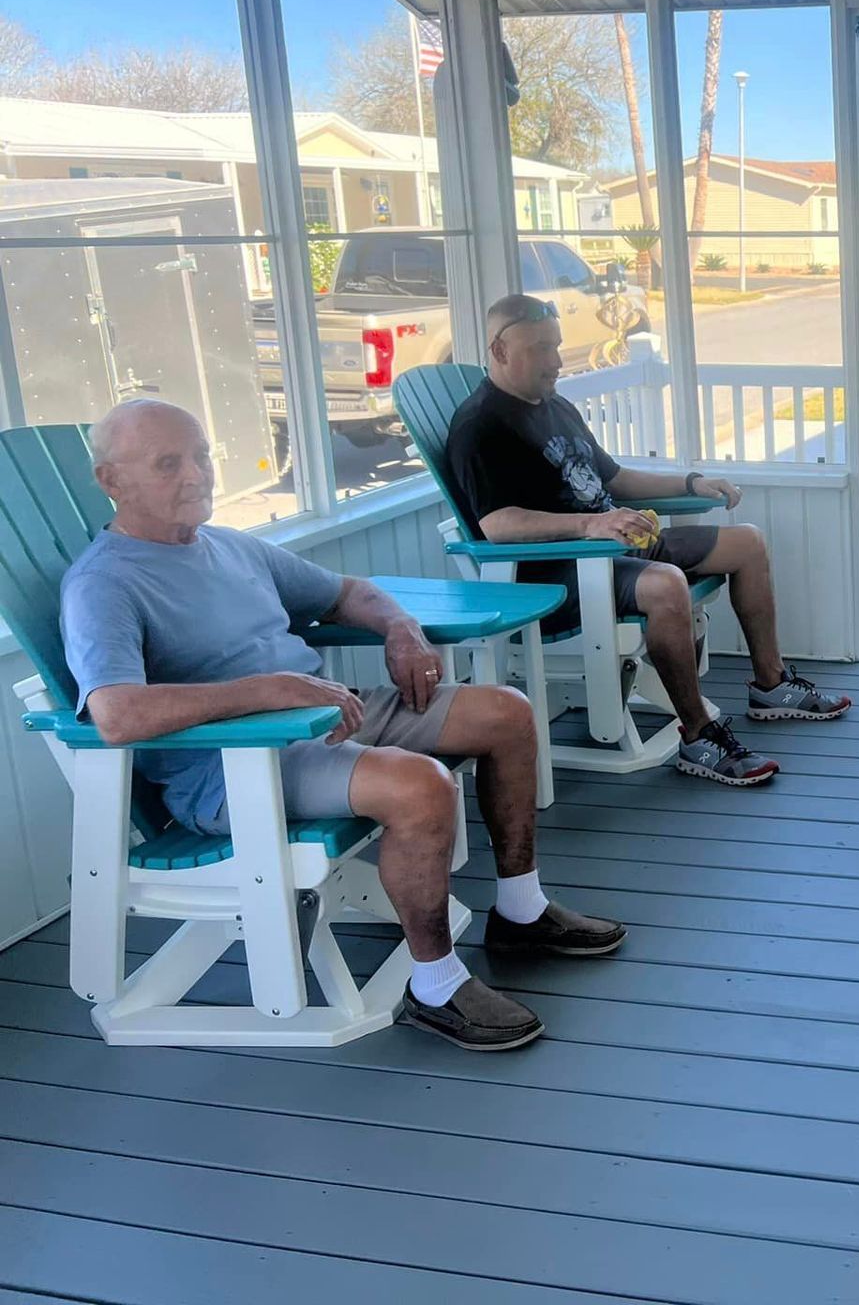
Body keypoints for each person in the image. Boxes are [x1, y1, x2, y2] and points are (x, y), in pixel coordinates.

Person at [61, 399, 614, 1052]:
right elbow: (118, 713)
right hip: (239, 766)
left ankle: (521, 910)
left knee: (506, 713)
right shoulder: (103, 585)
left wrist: (400, 628)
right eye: (168, 464)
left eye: (202, 455)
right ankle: (434, 985)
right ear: (111, 481)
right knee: (421, 787)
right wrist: (269, 690)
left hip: (327, 712)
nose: (197, 475)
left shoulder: (231, 547)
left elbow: (346, 592)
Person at [445, 294, 851, 786]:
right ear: (500, 349)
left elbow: (613, 477)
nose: (555, 361)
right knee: (665, 584)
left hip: (617, 544)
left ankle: (771, 685)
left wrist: (690, 483)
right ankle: (699, 737)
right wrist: (590, 526)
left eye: (557, 346)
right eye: (540, 349)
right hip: (562, 570)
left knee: (747, 542)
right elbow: (498, 524)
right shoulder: (481, 424)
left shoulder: (555, 407)